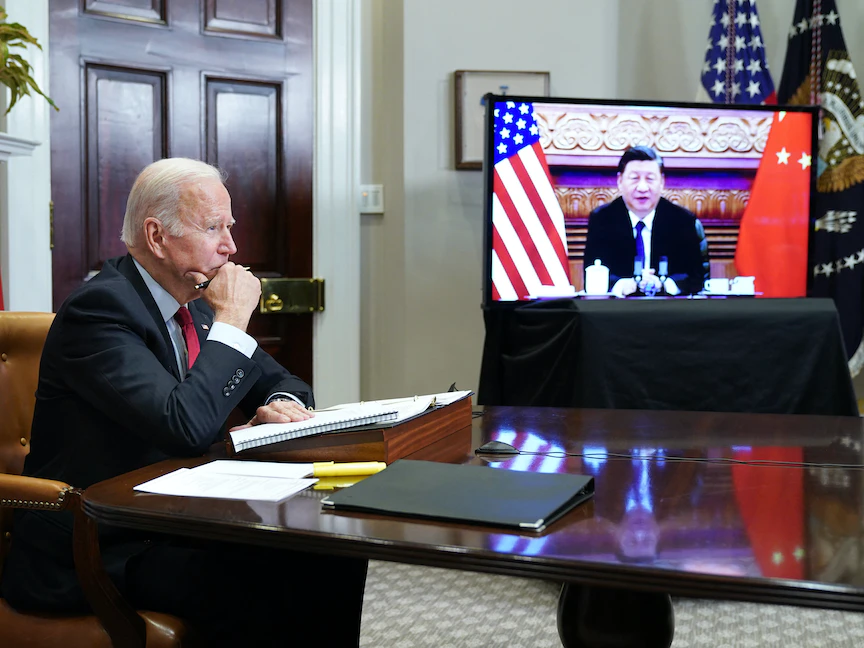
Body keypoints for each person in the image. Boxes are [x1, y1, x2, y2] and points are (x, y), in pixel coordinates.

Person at [1, 158, 367, 646]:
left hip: (174, 524)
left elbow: (288, 384)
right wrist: (233, 318)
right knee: (275, 585)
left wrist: (279, 403)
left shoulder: (195, 306)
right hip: (98, 546)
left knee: (334, 553)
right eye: (213, 228)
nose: (231, 247)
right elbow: (183, 426)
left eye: (230, 227)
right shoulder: (100, 311)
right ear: (157, 236)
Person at [582, 146, 707, 296]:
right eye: (634, 178)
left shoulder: (682, 220)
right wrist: (622, 285)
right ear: (620, 181)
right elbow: (593, 272)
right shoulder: (602, 219)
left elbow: (695, 277)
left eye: (650, 179)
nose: (642, 187)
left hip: (670, 307)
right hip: (619, 307)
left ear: (662, 182)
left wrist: (664, 285)